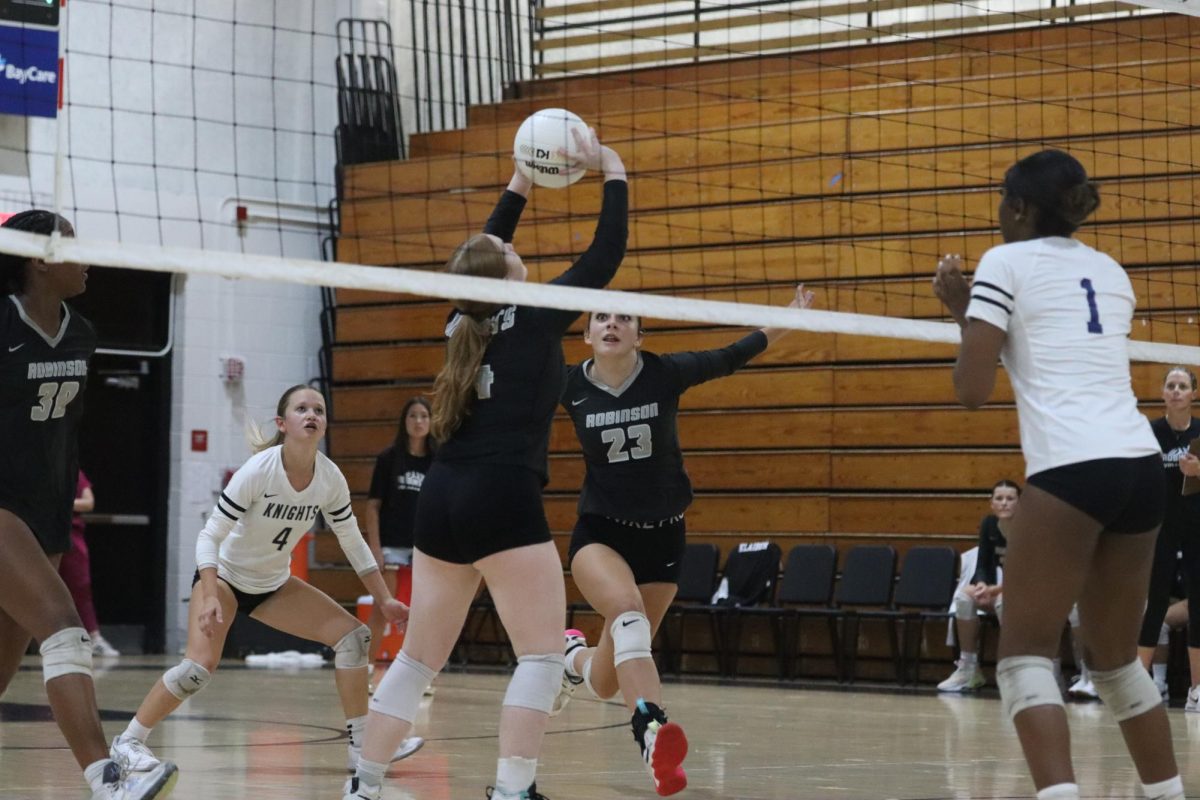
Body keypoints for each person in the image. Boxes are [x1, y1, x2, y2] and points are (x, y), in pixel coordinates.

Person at [344, 128, 628, 800]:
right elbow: (605, 252)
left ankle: (363, 785)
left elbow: (481, 251)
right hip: (502, 495)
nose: (511, 242)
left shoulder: (461, 321)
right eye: (508, 249)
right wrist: (611, 168)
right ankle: (512, 790)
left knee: (416, 659)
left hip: (443, 496)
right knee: (538, 654)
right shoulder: (531, 316)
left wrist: (521, 182)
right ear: (504, 273)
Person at [933, 149, 1185, 800]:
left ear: (1019, 207)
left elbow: (972, 387)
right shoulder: (1109, 270)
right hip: (1138, 465)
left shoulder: (1004, 262)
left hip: (1074, 466)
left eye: (1000, 201)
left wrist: (961, 309)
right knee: (1115, 661)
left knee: (1021, 660)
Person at [552, 286, 813, 796]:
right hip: (600, 534)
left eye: (624, 318)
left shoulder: (664, 373)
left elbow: (736, 353)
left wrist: (787, 319)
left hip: (664, 538)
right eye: (601, 317)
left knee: (605, 680)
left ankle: (571, 658)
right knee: (627, 613)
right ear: (586, 335)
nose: (611, 324)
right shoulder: (565, 386)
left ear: (639, 334)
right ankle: (651, 731)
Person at [110, 384, 422, 781]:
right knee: (198, 668)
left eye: (319, 410)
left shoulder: (329, 478)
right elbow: (209, 536)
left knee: (354, 638)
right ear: (283, 423)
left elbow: (354, 544)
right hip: (224, 577)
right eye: (302, 409)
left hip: (272, 583)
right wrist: (207, 595)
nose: (312, 415)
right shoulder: (259, 469)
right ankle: (129, 741)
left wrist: (385, 600)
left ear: (324, 424)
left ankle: (362, 748)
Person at [0, 209, 178, 799]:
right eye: (72, 246)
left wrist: (64, 502)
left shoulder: (81, 331)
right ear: (37, 260)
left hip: (45, 510)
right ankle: (108, 780)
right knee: (65, 631)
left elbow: (67, 432)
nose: (87, 258)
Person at [1136, 366, 1200, 711]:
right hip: (1159, 527)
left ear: (1193, 394)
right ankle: (1139, 685)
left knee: (1199, 603)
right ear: (1163, 393)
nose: (1176, 391)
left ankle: (1197, 690)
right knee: (1155, 604)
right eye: (1171, 385)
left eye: (1183, 386)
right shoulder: (1149, 432)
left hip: (1196, 526)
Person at [364, 396, 432, 682]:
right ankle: (365, 667)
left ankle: (424, 674)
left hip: (425, 546)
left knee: (425, 610)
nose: (418, 422)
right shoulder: (388, 459)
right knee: (384, 606)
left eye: (424, 416)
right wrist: (375, 548)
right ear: (404, 422)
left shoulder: (437, 460)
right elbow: (372, 506)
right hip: (392, 544)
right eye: (413, 416)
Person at [937, 480, 1019, 692]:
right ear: (991, 503)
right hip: (1004, 591)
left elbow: (1026, 575)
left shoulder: (1028, 528)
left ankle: (1014, 669)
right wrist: (982, 585)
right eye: (999, 498)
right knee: (965, 596)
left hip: (1030, 593)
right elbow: (983, 563)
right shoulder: (989, 525)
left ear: (1020, 504)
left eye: (1010, 499)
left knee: (1003, 601)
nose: (1004, 503)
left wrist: (995, 590)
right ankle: (969, 669)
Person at [58, 469, 121, 657]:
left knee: (80, 586)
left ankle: (93, 638)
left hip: (70, 535)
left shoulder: (75, 473)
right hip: (39, 535)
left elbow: (88, 502)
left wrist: (61, 503)